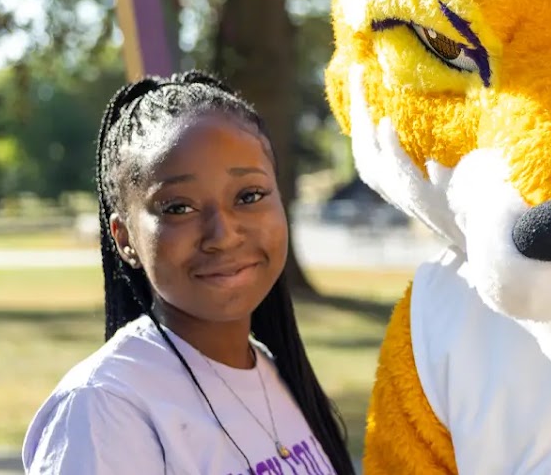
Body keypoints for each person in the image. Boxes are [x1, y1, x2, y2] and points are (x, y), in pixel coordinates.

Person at [22, 71, 357, 475]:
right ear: (125, 238)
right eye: (178, 207)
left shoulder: (272, 370)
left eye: (249, 196)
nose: (223, 235)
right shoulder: (105, 408)